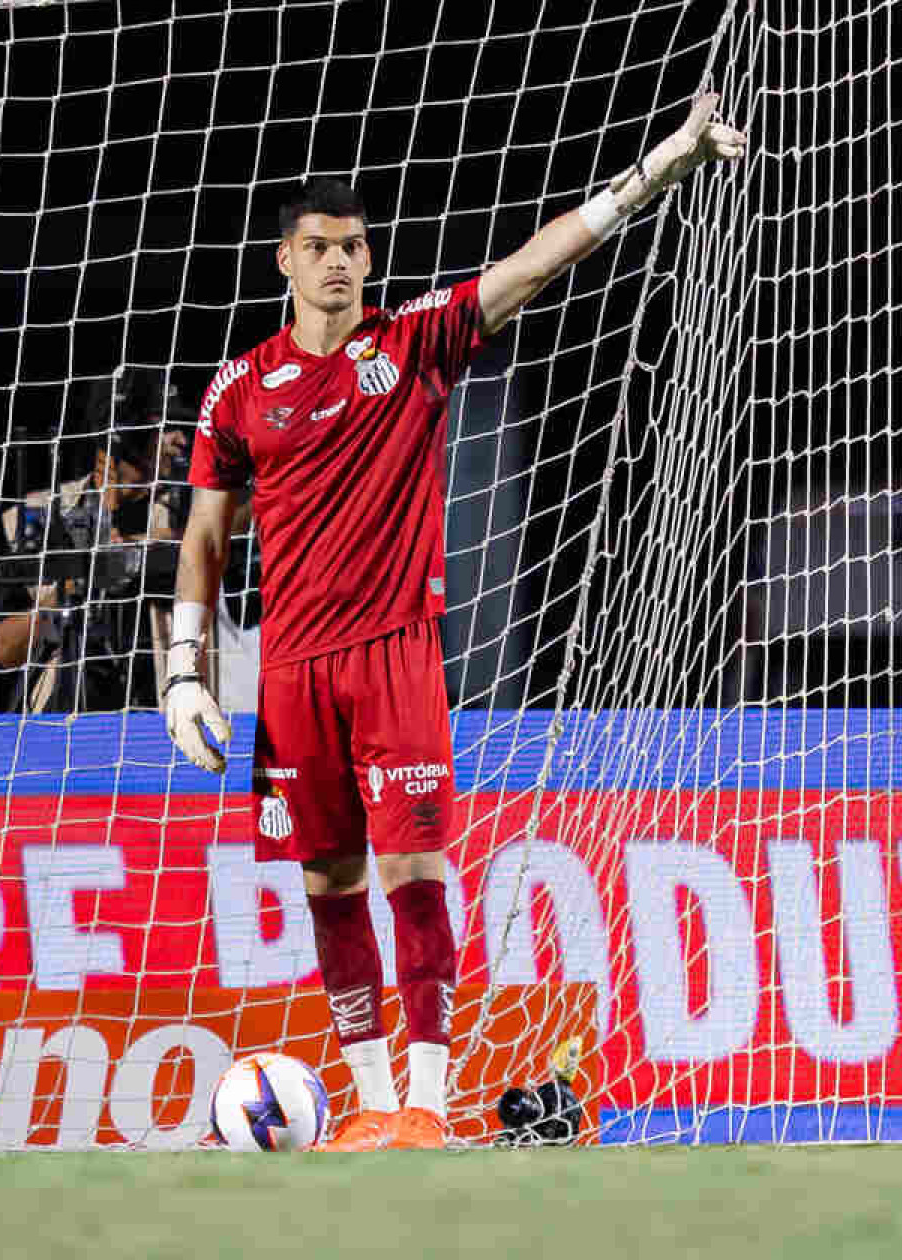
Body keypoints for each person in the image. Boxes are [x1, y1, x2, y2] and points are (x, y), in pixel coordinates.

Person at [162, 97, 745, 1151]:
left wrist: (657, 166)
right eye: (320, 248)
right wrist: (183, 672)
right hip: (291, 672)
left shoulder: (417, 343)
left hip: (396, 658)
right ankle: (371, 1103)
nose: (341, 263)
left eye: (355, 247)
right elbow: (204, 537)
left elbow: (534, 262)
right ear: (284, 262)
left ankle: (425, 1107)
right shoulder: (238, 390)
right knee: (326, 881)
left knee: (412, 875)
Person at [0, 369, 195, 712]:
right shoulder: (34, 513)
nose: (181, 440)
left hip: (166, 713)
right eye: (166, 426)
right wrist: (77, 586)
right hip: (65, 713)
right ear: (121, 433)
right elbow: (3, 652)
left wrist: (130, 551)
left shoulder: (189, 513)